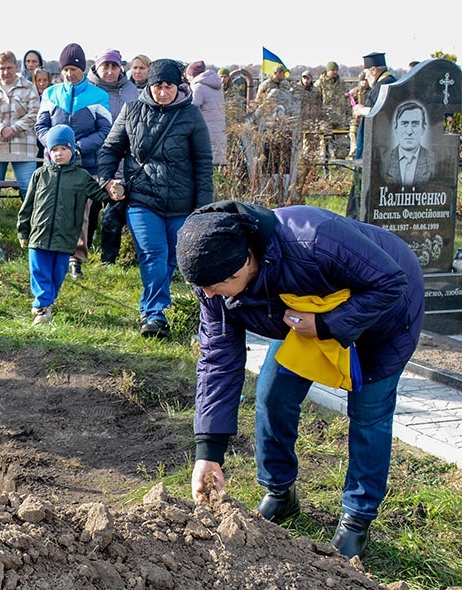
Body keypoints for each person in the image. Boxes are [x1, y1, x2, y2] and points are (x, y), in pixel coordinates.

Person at [177, 201, 424, 559]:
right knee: (273, 393)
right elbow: (218, 359)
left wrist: (325, 325)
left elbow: (389, 283)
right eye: (204, 288)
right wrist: (208, 452)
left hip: (385, 307)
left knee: (369, 411)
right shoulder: (213, 279)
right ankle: (280, 492)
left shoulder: (313, 239)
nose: (210, 295)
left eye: (216, 286)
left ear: (247, 260)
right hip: (307, 314)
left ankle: (356, 520)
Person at [96, 58, 213, 338]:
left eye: (169, 86)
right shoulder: (132, 110)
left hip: (182, 202)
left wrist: (203, 203)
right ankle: (154, 313)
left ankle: (162, 304)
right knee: (153, 254)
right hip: (142, 198)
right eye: (158, 86)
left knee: (174, 257)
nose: (163, 92)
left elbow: (203, 162)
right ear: (149, 86)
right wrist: (108, 180)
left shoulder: (191, 115)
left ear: (178, 86)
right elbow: (110, 149)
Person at [18, 124, 119, 324]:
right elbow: (27, 204)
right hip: (39, 234)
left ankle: (46, 301)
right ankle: (42, 305)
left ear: (72, 150)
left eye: (63, 149)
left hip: (66, 237)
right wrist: (23, 230)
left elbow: (101, 195)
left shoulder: (82, 177)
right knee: (39, 270)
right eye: (54, 149)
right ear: (48, 152)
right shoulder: (40, 175)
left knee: (57, 273)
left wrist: (114, 190)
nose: (59, 154)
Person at [34, 43, 112, 279]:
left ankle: (75, 258)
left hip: (85, 164)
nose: (69, 74)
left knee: (81, 212)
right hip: (54, 164)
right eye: (65, 69)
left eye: (74, 69)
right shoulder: (51, 94)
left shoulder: (99, 96)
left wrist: (77, 148)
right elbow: (40, 126)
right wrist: (55, 145)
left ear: (83, 68)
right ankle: (48, 252)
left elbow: (105, 129)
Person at [86, 49, 138, 265]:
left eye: (113, 67)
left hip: (120, 161)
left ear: (120, 68)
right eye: (105, 66)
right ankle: (81, 253)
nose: (109, 71)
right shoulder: (87, 90)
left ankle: (109, 259)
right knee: (88, 210)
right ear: (97, 68)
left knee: (114, 212)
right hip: (91, 161)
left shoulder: (131, 92)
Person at [0, 51, 40, 223]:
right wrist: (0, 128)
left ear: (16, 67)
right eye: (2, 68)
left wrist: (14, 128)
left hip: (23, 146)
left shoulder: (29, 87)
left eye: (9, 68)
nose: (5, 72)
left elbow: (35, 113)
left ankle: (32, 226)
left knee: (29, 189)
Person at [347, 53, 396, 218]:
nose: (365, 78)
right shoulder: (384, 84)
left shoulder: (386, 84)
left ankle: (357, 215)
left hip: (373, 145)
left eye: (366, 73)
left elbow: (383, 112)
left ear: (374, 70)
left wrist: (361, 110)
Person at [379, 100, 435, 185]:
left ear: (423, 128)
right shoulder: (383, 161)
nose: (409, 131)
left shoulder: (434, 161)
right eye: (404, 124)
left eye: (415, 124)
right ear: (396, 127)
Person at [185, 60, 226, 167]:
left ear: (192, 75)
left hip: (205, 134)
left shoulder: (198, 88)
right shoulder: (217, 87)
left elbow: (191, 111)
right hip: (218, 132)